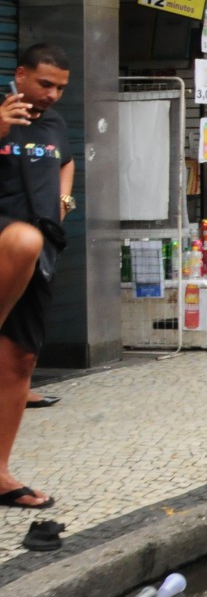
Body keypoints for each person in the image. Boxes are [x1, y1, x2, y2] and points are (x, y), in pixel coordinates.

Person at [0, 44, 74, 511]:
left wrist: (64, 204)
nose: (52, 94)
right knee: (21, 239)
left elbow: (65, 161)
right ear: (20, 75)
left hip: (40, 254)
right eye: (45, 83)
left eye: (61, 88)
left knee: (21, 360)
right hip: (4, 241)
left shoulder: (56, 124)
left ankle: (0, 474)